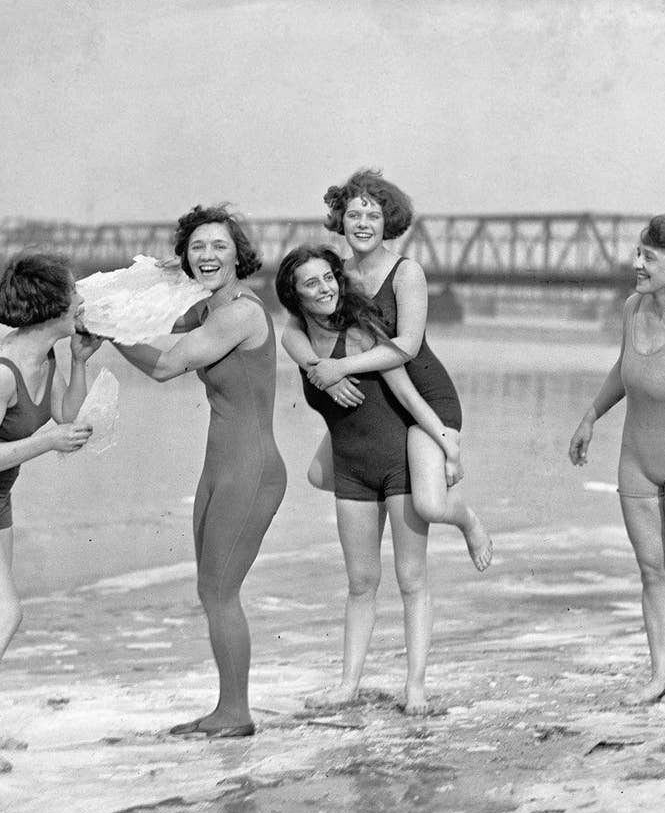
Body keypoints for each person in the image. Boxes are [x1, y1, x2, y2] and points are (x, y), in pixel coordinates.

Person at [112, 205, 286, 737]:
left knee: (220, 592)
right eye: (197, 247)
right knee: (210, 591)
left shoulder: (239, 314)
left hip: (250, 469)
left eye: (219, 246)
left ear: (239, 255)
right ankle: (228, 707)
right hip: (221, 468)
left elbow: (166, 364)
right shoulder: (211, 307)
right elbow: (158, 322)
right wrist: (159, 278)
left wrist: (107, 332)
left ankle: (235, 713)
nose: (208, 255)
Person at [276, 243, 468, 715]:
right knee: (360, 583)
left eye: (329, 277)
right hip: (351, 471)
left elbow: (408, 393)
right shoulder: (299, 343)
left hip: (398, 463)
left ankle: (416, 687)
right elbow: (292, 340)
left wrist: (446, 443)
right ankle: (347, 685)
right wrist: (317, 370)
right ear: (295, 295)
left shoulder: (361, 334)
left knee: (411, 580)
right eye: (311, 283)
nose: (325, 288)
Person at [281, 168, 492, 572]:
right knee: (318, 475)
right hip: (381, 401)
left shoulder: (406, 272)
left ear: (387, 222)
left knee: (429, 505)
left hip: (424, 396)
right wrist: (318, 368)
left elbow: (406, 346)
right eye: (354, 215)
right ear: (341, 220)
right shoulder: (336, 275)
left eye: (373, 215)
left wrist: (341, 366)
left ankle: (466, 519)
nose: (363, 224)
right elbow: (292, 331)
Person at [569, 215, 665, 705]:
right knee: (651, 571)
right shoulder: (633, 307)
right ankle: (657, 677)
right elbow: (625, 367)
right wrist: (590, 416)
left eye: (647, 257)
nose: (635, 263)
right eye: (637, 253)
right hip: (636, 459)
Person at [0, 252, 99, 662]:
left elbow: (67, 416)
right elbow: (54, 435)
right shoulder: (3, 372)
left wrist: (79, 360)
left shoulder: (45, 356)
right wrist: (47, 442)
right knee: (6, 613)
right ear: (51, 303)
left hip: (0, 497)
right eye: (74, 291)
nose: (81, 299)